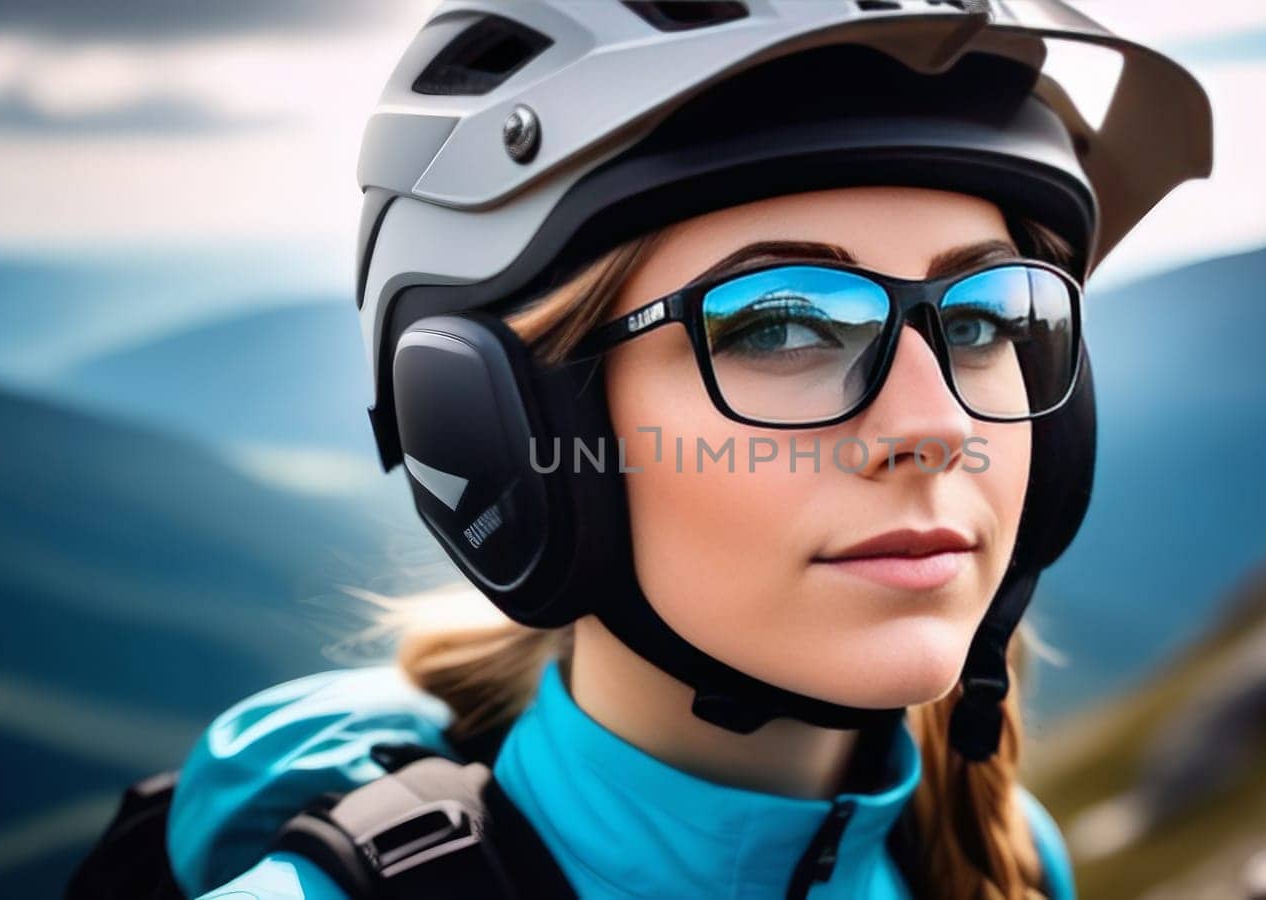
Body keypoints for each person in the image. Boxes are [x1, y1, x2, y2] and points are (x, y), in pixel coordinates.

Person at [159, 2, 1212, 898]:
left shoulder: (1006, 861)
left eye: (983, 320)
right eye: (781, 325)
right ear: (501, 433)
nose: (937, 428)